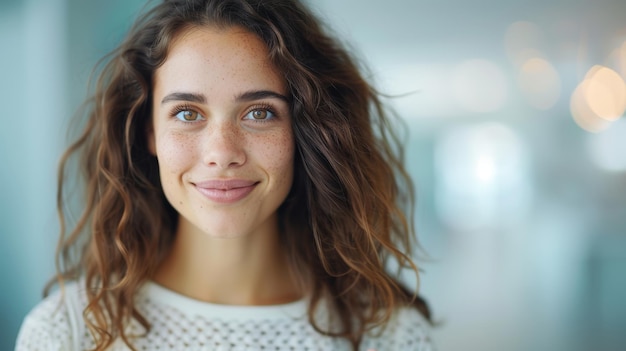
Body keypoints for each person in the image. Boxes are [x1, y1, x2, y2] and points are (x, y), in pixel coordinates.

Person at [16, 0, 434, 350]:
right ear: (149, 132)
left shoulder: (390, 335)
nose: (222, 153)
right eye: (186, 113)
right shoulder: (68, 331)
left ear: (306, 131)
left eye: (259, 112)